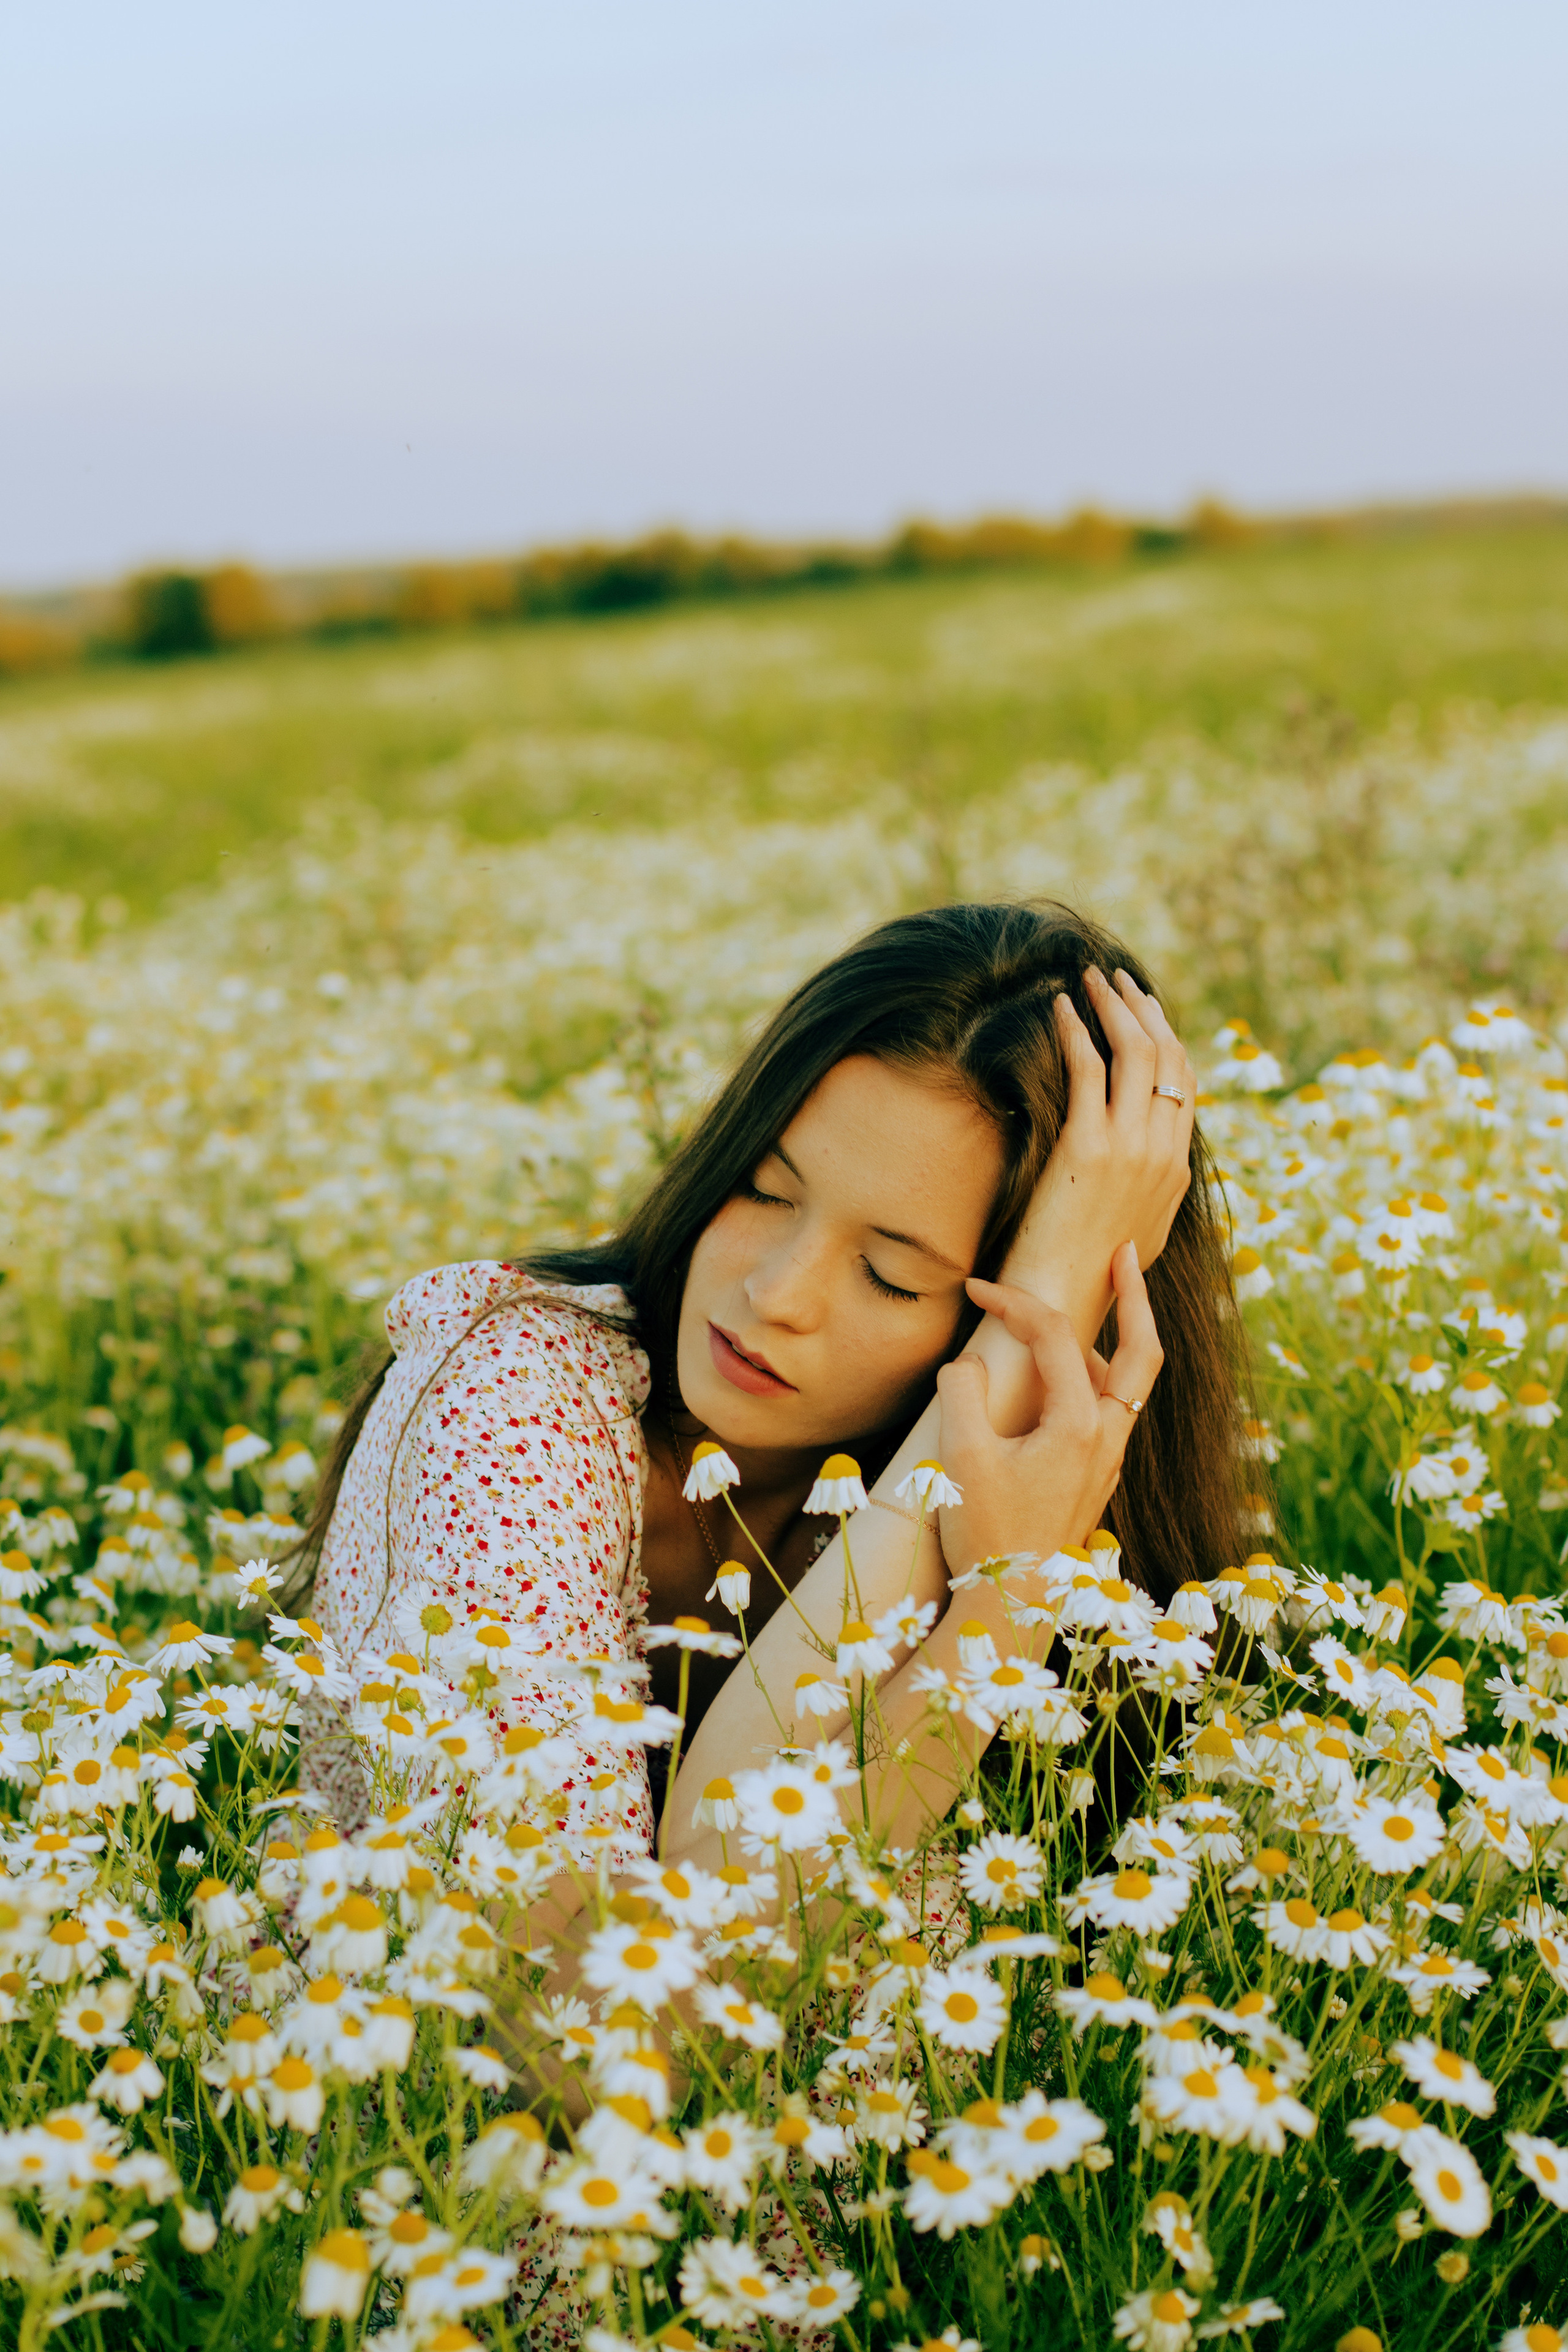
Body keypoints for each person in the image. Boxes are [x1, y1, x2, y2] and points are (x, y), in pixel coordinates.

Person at [292, 898, 1241, 1873]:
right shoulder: (512, 1400)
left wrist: (1039, 1330)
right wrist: (1006, 1608)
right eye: (764, 1189)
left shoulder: (1034, 1504)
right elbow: (587, 1983)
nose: (774, 1292)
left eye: (891, 1275)